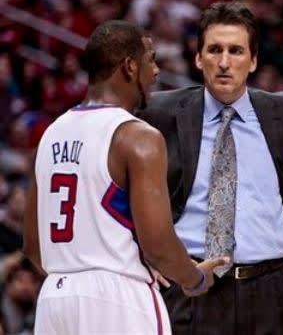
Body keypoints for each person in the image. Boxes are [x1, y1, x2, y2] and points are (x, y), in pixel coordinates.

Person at [138, 1, 283, 335]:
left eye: (236, 51)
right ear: (198, 58)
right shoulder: (158, 113)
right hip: (190, 290)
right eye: (214, 50)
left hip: (270, 292)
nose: (224, 62)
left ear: (253, 61)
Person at [23, 20, 227, 335]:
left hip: (54, 298)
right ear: (130, 67)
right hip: (117, 300)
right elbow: (158, 245)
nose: (157, 71)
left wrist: (80, 274)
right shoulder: (137, 136)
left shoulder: (50, 135)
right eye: (151, 59)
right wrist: (195, 279)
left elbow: (33, 247)